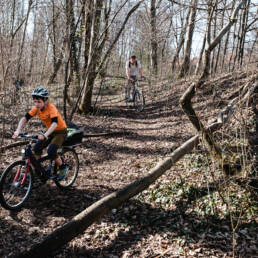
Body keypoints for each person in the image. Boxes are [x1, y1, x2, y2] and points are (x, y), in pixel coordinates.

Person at [12, 87, 68, 180]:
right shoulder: (36, 109)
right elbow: (24, 118)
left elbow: (54, 123)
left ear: (46, 100)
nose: (36, 104)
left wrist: (45, 135)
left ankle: (63, 167)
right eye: (35, 101)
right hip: (49, 131)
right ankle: (39, 171)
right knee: (37, 148)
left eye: (39, 101)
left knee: (51, 151)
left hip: (60, 132)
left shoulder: (51, 108)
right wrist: (18, 130)